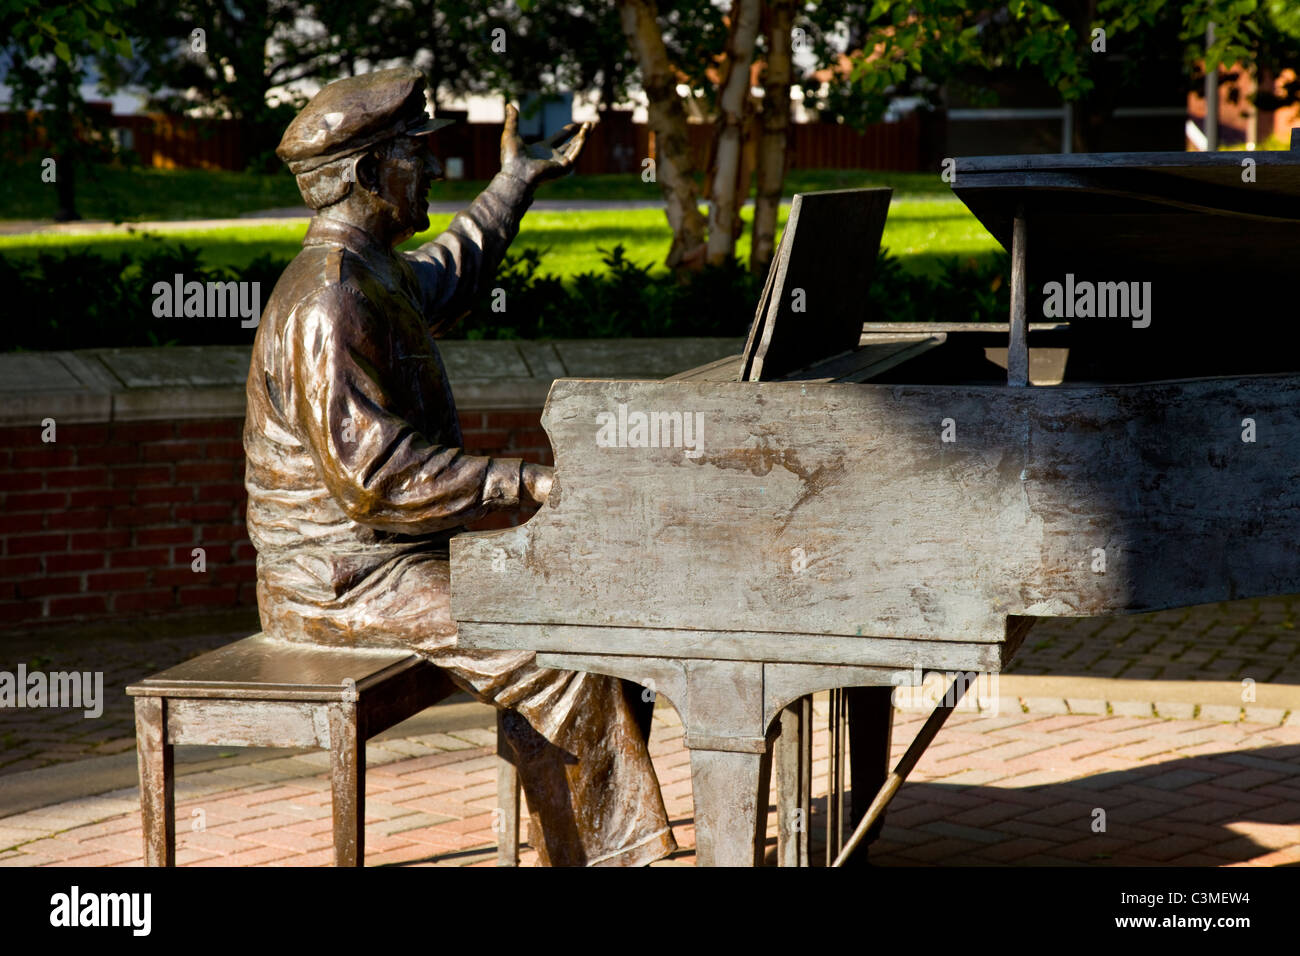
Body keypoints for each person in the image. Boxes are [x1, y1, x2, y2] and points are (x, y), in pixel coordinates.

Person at [243, 67, 675, 866]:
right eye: (415, 152)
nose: (433, 168)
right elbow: (374, 480)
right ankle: (620, 859)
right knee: (562, 658)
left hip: (389, 560)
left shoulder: (372, 272)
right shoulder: (328, 301)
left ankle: (574, 848)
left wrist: (516, 180)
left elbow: (458, 266)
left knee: (589, 616)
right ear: (369, 173)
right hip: (340, 579)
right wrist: (526, 482)